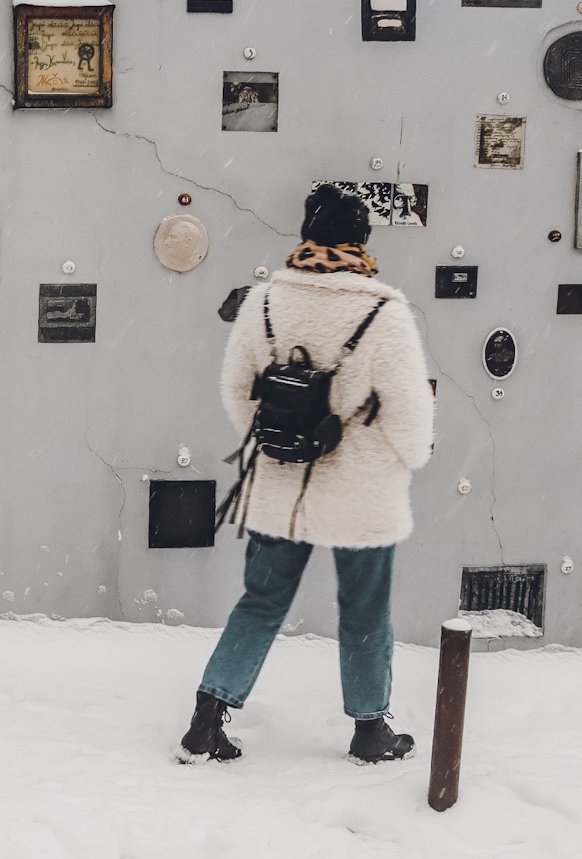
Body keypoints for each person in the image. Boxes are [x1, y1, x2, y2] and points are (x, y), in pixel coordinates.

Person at [179, 184, 435, 766]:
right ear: (363, 238)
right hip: (362, 489)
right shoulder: (383, 310)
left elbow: (236, 390)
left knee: (261, 601)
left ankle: (207, 717)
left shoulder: (266, 300)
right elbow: (409, 410)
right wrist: (408, 455)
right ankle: (370, 729)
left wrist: (281, 438)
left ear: (305, 233)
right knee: (366, 609)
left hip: (279, 481)